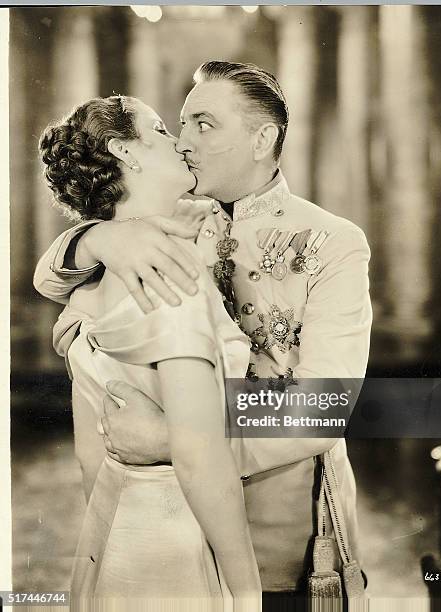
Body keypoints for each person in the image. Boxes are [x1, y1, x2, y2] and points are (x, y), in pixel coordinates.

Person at [34, 61, 372, 610]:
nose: (185, 140)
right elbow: (51, 278)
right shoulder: (171, 216)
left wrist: (173, 442)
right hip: (171, 521)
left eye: (204, 124)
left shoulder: (334, 241)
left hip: (279, 520)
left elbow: (323, 412)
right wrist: (96, 240)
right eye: (180, 124)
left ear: (263, 138)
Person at [37, 94, 262, 609]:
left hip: (114, 534)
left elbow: (88, 452)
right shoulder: (168, 274)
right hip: (176, 538)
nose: (180, 143)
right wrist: (247, 592)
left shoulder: (88, 286)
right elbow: (200, 457)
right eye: (162, 130)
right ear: (125, 151)